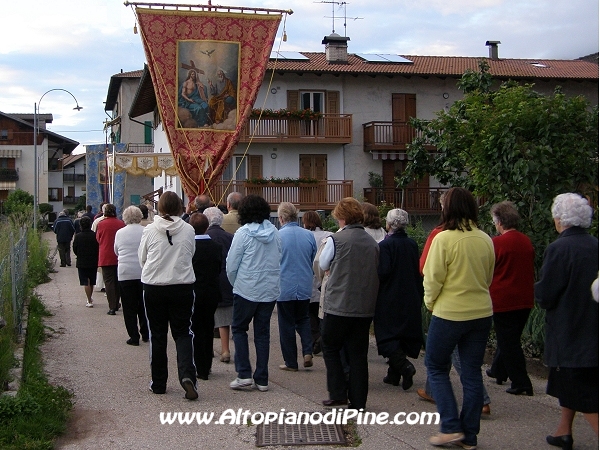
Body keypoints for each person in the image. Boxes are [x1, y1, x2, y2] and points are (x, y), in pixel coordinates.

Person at [423, 187, 495, 449]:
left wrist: (430, 303)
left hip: (450, 312)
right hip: (481, 312)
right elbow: (488, 276)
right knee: (472, 373)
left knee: (437, 366)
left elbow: (432, 279)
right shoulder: (485, 238)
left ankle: (451, 426)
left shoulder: (443, 239)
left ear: (448, 208)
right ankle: (469, 435)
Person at [535, 193, 598, 449]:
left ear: (560, 219)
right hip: (593, 325)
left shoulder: (559, 248)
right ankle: (563, 431)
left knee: (582, 392)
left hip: (569, 328)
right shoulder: (596, 244)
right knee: (570, 384)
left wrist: (537, 291)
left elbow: (547, 293)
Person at [319, 197, 379, 410]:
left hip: (339, 303)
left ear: (341, 217)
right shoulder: (372, 242)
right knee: (358, 353)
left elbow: (323, 263)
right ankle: (359, 401)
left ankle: (337, 392)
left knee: (331, 345)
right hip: (364, 305)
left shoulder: (336, 239)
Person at [139, 191, 198, 400]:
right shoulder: (189, 229)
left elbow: (142, 257)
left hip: (154, 285)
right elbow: (191, 254)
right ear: (180, 207)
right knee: (183, 333)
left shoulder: (150, 230)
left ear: (161, 208)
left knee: (157, 334)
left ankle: (159, 382)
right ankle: (187, 376)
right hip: (181, 285)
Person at [226, 195, 281, 392]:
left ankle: (244, 374)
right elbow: (279, 257)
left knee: (239, 329)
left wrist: (236, 283)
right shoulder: (275, 232)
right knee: (262, 333)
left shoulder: (243, 233)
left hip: (246, 288)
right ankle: (262, 378)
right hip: (269, 289)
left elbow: (232, 264)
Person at [486, 201, 534, 395]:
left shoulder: (496, 243)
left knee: (508, 341)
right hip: (525, 297)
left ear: (499, 221)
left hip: (503, 298)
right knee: (510, 337)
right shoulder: (525, 241)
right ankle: (498, 370)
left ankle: (521, 382)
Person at [374, 208, 423, 390]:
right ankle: (393, 374)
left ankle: (404, 367)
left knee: (387, 335)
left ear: (388, 224)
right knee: (401, 333)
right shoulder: (411, 244)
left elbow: (383, 272)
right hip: (409, 293)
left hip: (390, 295)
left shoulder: (385, 246)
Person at [276, 202, 317, 372]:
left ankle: (291, 361)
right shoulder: (308, 235)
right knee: (303, 318)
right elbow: (313, 258)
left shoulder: (277, 236)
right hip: (304, 283)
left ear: (281, 218)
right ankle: (307, 350)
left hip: (284, 284)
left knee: (286, 323)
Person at [189, 212, 222, 380]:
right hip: (211, 292)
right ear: (206, 227)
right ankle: (206, 365)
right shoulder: (216, 247)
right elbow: (218, 269)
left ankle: (198, 364)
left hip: (194, 292)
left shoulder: (189, 248)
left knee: (195, 329)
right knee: (208, 327)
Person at [114, 206, 149, 346]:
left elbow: (116, 251)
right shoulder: (145, 231)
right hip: (142, 271)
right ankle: (145, 332)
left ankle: (133, 336)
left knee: (129, 306)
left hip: (125, 272)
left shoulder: (120, 233)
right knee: (143, 304)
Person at [204, 206, 235, 363]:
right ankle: (225, 350)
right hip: (226, 278)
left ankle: (208, 349)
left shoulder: (204, 237)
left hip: (208, 279)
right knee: (223, 318)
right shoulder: (230, 237)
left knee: (207, 316)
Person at [302, 211, 333, 355]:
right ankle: (322, 336)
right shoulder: (328, 235)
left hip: (309, 277)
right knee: (320, 311)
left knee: (308, 313)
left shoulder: (305, 235)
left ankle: (316, 337)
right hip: (323, 277)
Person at [96, 204, 125, 315]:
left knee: (108, 282)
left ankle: (112, 306)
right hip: (119, 256)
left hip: (105, 255)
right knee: (118, 280)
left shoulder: (101, 224)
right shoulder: (121, 224)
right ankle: (117, 303)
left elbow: (98, 239)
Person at [72, 216, 99, 308]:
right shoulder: (95, 235)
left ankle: (89, 300)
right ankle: (90, 297)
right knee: (91, 281)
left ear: (81, 225)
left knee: (85, 281)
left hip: (82, 261)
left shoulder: (78, 236)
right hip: (93, 260)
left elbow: (75, 249)